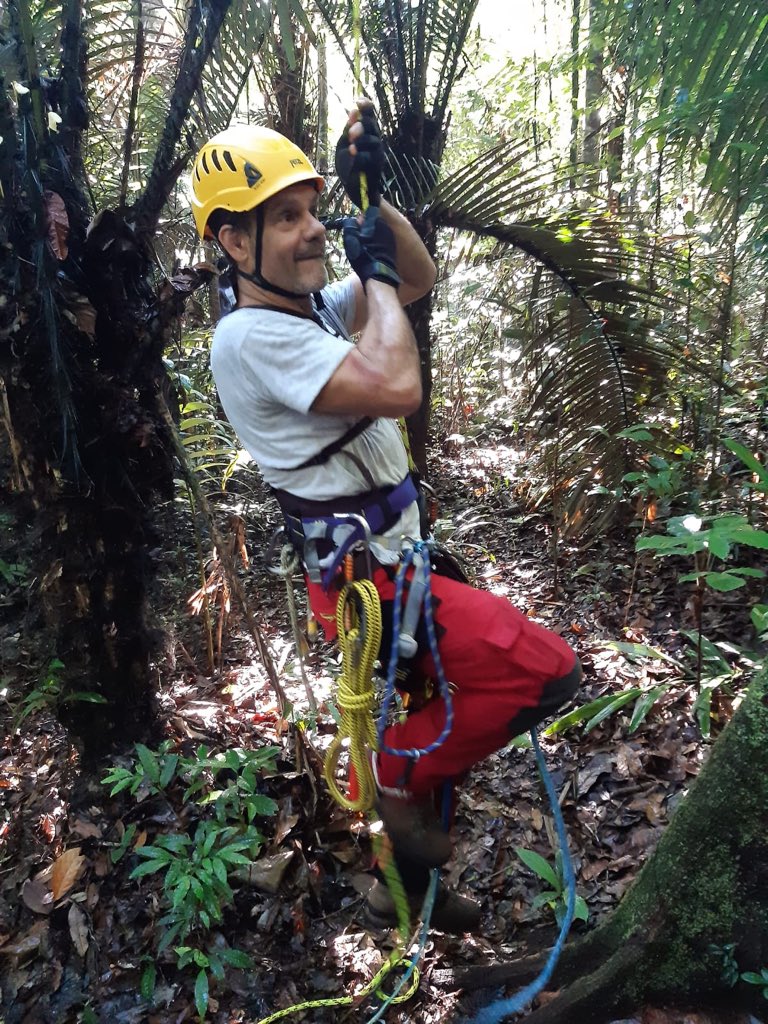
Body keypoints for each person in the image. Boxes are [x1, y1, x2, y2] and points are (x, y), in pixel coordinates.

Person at [190, 101, 582, 934]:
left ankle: (405, 896)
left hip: (400, 563)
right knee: (545, 672)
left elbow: (415, 280)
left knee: (431, 720)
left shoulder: (314, 311)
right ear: (233, 241)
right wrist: (370, 280)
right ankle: (391, 778)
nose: (311, 231)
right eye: (285, 218)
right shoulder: (252, 337)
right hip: (367, 582)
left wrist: (376, 199)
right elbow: (400, 385)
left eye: (311, 210)